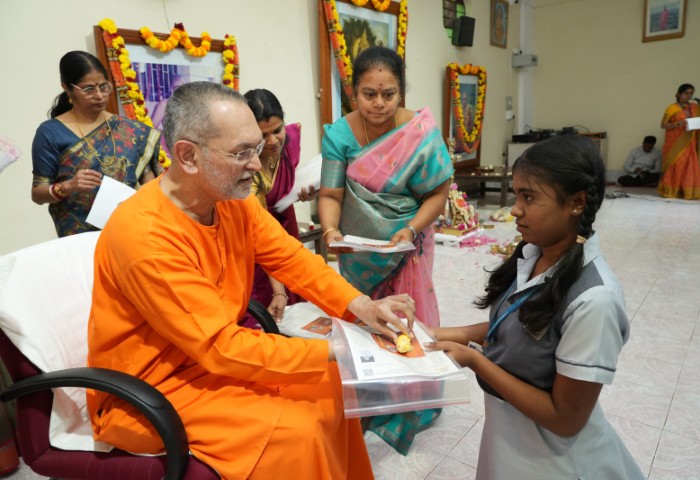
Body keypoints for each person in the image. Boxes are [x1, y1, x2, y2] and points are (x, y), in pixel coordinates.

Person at [86, 81, 416, 480]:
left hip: (212, 362)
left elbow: (291, 258)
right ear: (188, 156)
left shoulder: (232, 201)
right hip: (155, 387)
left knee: (332, 382)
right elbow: (219, 347)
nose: (257, 165)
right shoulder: (145, 236)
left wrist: (360, 306)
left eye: (257, 149)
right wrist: (345, 348)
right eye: (241, 153)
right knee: (299, 429)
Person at [427, 135, 644, 479]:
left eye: (529, 197)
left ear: (576, 202)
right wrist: (431, 334)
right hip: (512, 438)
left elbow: (565, 419)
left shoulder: (594, 300)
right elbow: (517, 324)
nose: (515, 209)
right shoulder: (536, 255)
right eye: (516, 195)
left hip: (556, 460)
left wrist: (475, 360)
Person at [318, 45, 454, 454]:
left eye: (388, 94)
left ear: (401, 92)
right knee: (365, 319)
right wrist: (330, 231)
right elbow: (331, 193)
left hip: (407, 245)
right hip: (358, 251)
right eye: (369, 94)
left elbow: (438, 191)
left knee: (407, 319)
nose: (378, 103)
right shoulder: (339, 135)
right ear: (353, 93)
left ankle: (413, 401)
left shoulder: (418, 132)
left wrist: (410, 229)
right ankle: (373, 397)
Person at [31, 51, 162, 237]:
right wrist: (68, 186)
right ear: (66, 88)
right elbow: (38, 194)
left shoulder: (132, 131)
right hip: (78, 239)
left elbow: (151, 187)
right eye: (88, 89)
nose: (99, 95)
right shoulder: (51, 132)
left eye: (103, 86)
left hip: (129, 230)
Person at [244, 88, 315, 322]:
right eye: (263, 135)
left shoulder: (290, 141)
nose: (273, 141)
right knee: (262, 310)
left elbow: (287, 179)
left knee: (296, 303)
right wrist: (278, 289)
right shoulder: (246, 168)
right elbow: (261, 232)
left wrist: (303, 193)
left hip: (286, 224)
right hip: (255, 236)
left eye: (277, 130)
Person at [657, 83, 700, 200]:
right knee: (676, 165)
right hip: (675, 143)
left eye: (691, 93)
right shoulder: (672, 108)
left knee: (688, 166)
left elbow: (698, 120)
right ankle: (672, 191)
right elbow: (663, 125)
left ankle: (686, 192)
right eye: (686, 93)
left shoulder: (693, 107)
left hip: (689, 142)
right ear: (678, 94)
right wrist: (676, 124)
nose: (689, 95)